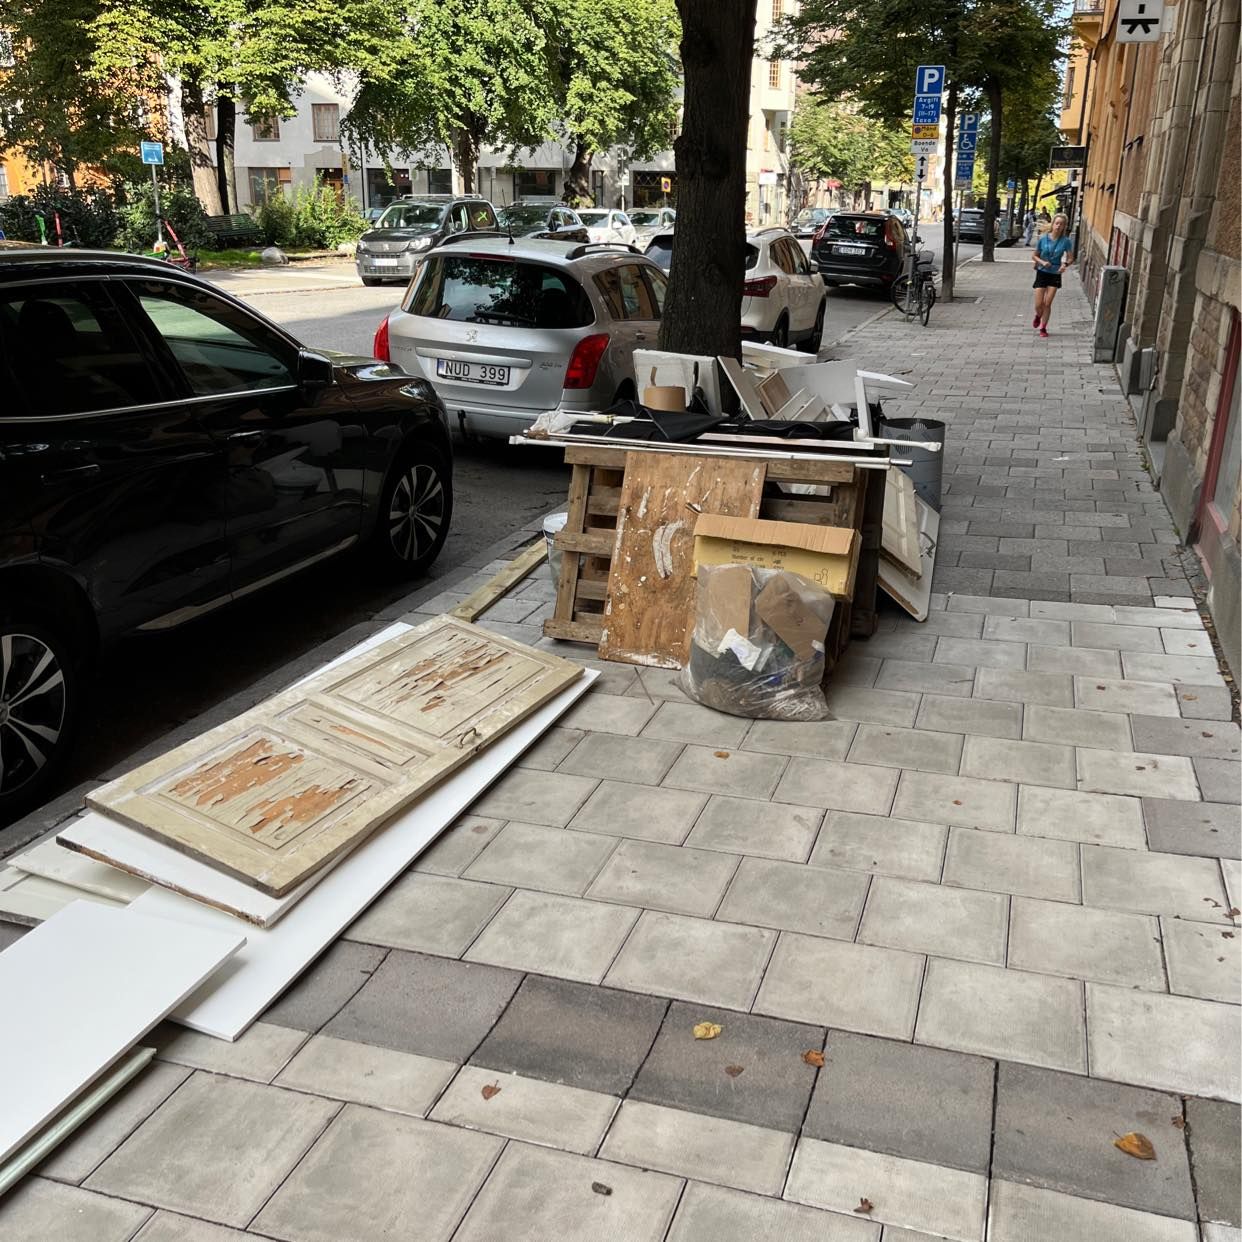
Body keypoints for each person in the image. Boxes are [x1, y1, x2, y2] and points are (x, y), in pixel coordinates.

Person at [1031, 212, 1074, 337]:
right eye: (1057, 223)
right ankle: (1038, 315)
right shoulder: (1043, 239)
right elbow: (1034, 256)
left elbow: (1071, 258)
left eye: (1061, 224)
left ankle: (1043, 328)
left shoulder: (1066, 241)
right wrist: (1042, 262)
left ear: (1064, 226)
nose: (1058, 226)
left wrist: (1064, 265)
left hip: (1055, 273)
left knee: (1048, 303)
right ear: (1053, 224)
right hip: (1042, 272)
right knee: (1039, 304)